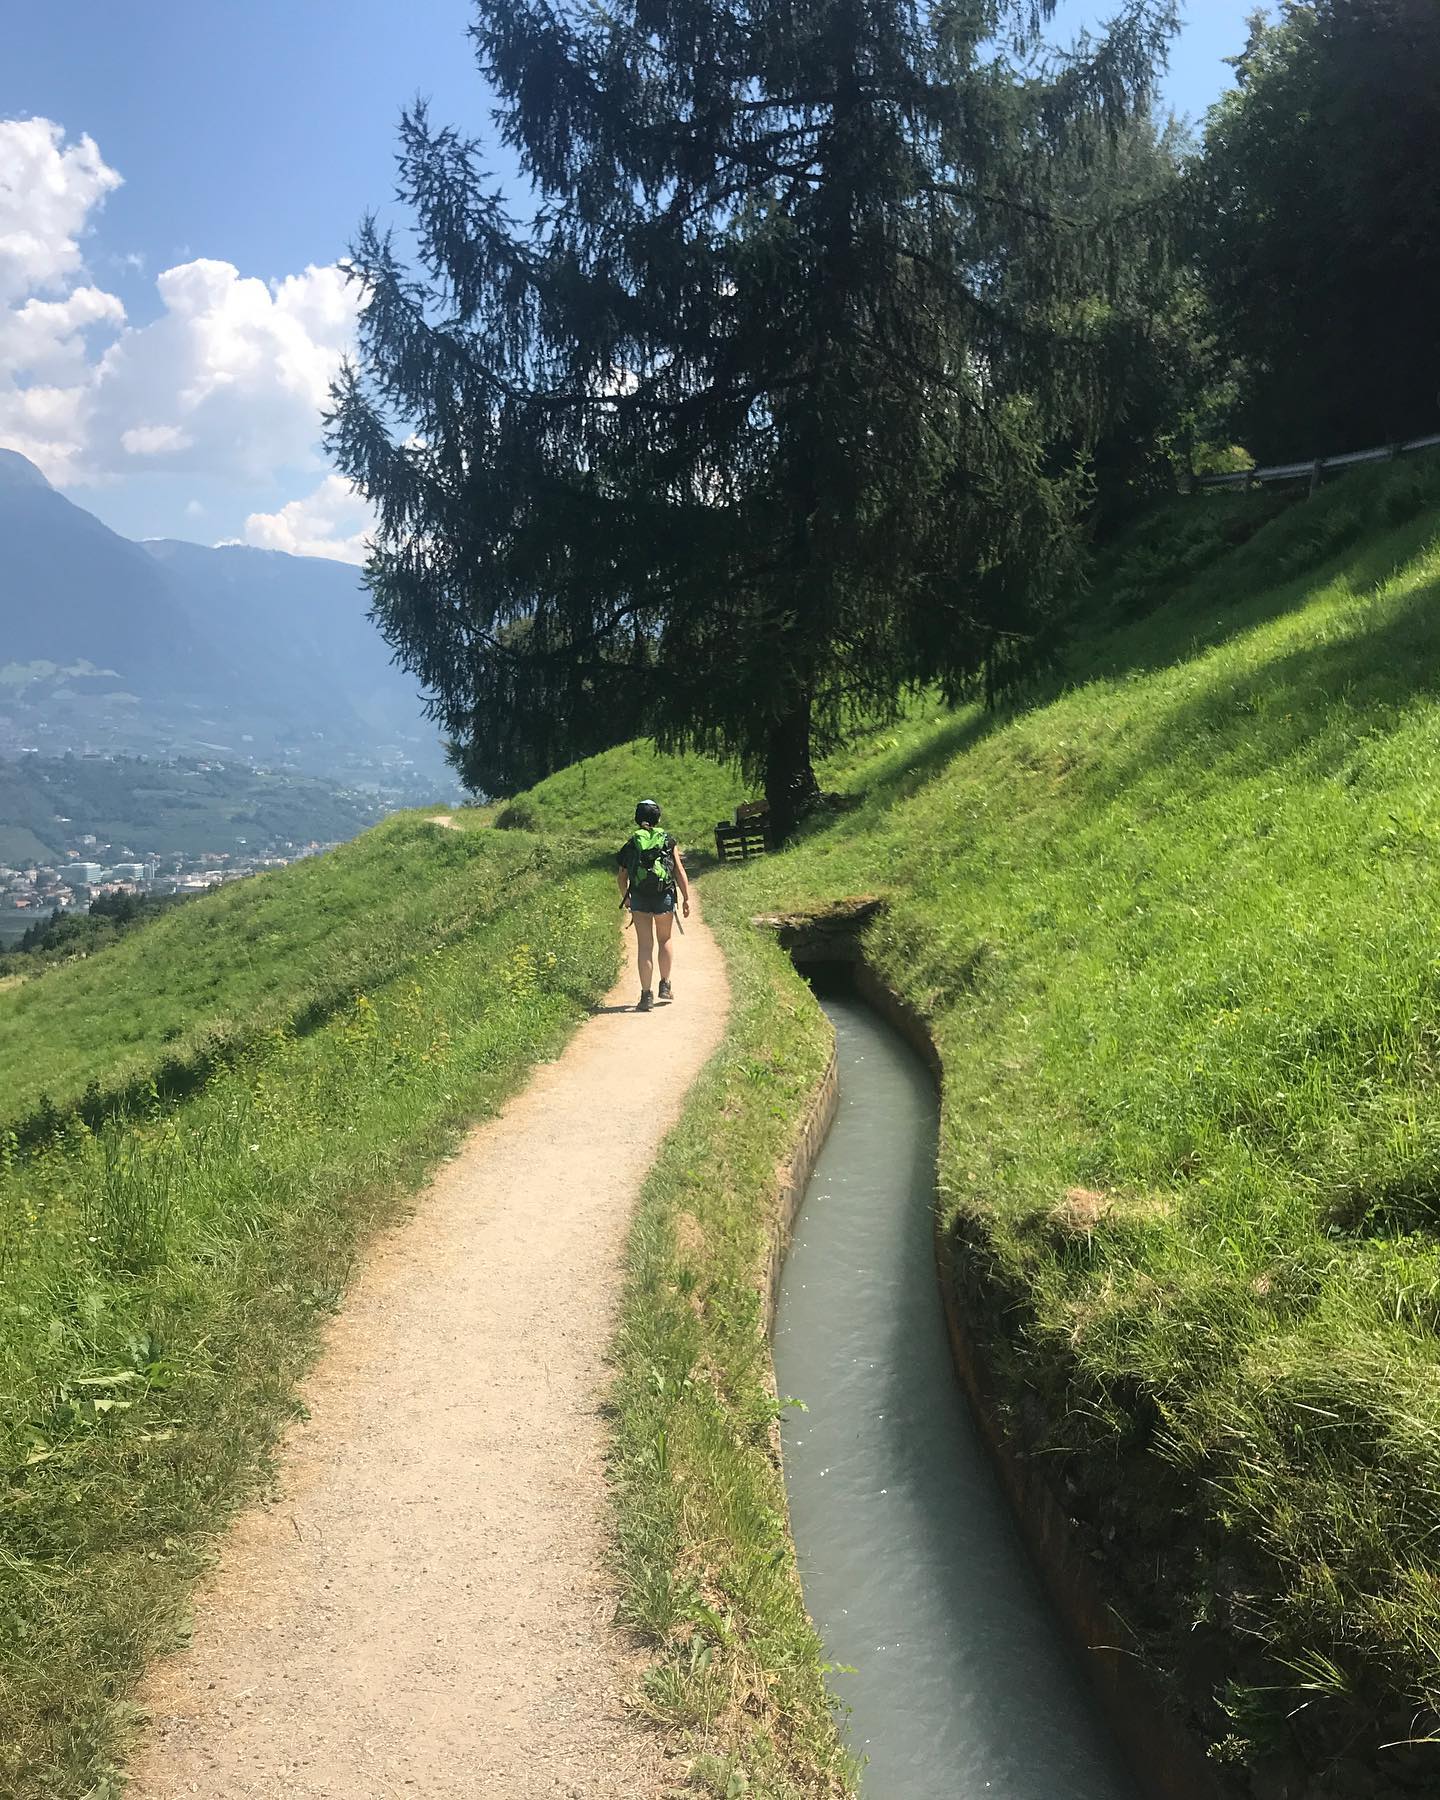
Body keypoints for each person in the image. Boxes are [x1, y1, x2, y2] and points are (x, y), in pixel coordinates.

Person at [616, 798, 691, 1012]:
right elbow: (678, 871)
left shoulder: (632, 843)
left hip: (639, 896)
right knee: (665, 939)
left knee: (645, 945)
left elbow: (621, 877)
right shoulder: (667, 840)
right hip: (663, 895)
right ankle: (665, 986)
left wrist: (627, 897)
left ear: (637, 819)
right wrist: (686, 898)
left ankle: (646, 995)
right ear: (658, 818)